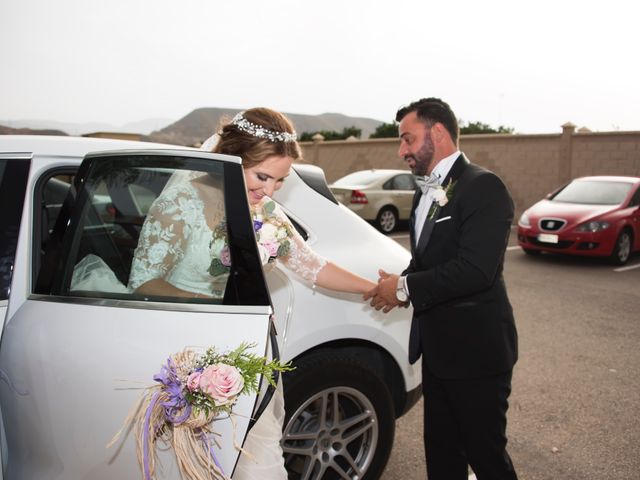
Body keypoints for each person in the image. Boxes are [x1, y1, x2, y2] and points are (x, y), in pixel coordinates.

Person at [128, 107, 376, 479]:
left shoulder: (267, 212)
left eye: (279, 181)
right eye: (262, 177)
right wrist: (223, 311)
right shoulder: (182, 204)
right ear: (232, 158)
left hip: (244, 353)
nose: (270, 190)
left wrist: (375, 288)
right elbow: (144, 281)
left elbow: (312, 265)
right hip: (186, 353)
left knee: (254, 460)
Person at [364, 98, 518, 480]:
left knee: (485, 457)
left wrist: (402, 288)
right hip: (438, 351)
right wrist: (395, 283)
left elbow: (475, 270)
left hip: (478, 353)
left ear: (438, 133)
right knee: (442, 452)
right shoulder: (424, 192)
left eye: (407, 139)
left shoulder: (484, 187)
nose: (402, 151)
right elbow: (428, 261)